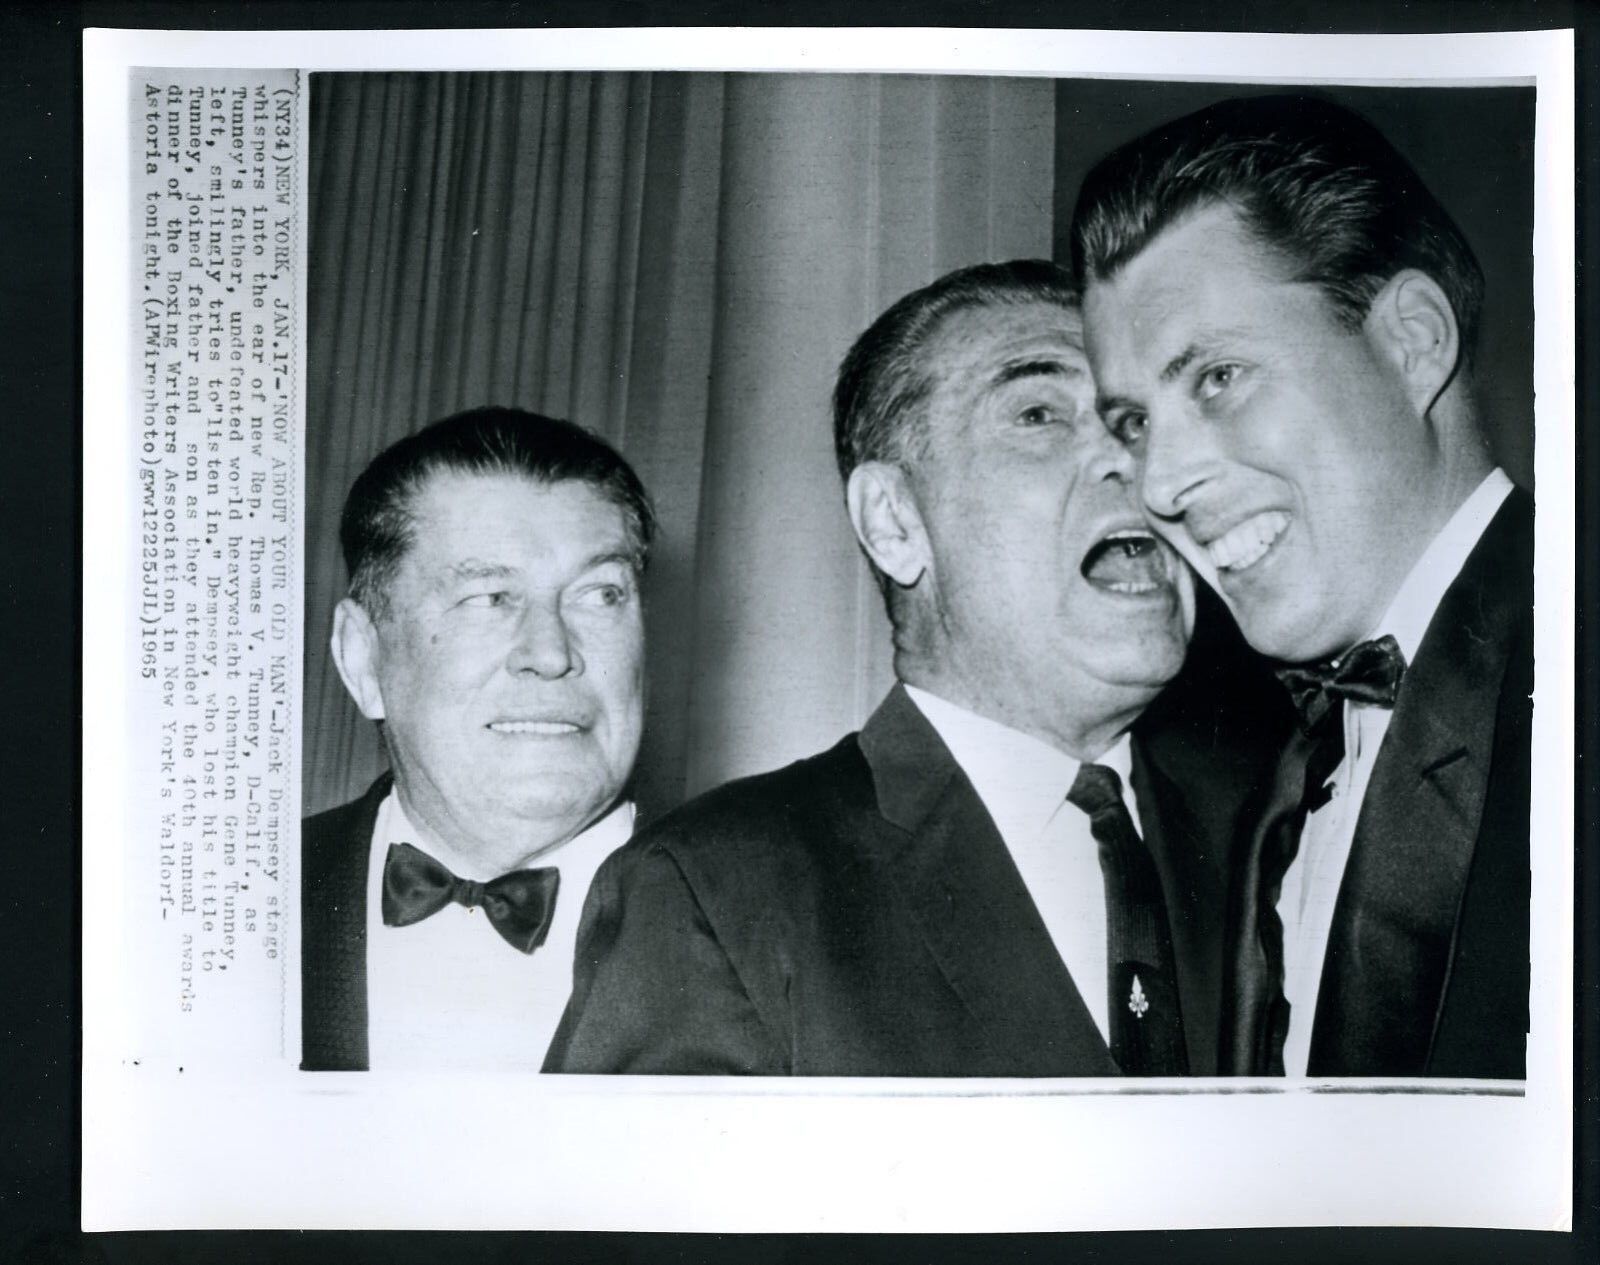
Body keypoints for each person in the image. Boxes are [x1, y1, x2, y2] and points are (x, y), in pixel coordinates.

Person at [546, 261, 1284, 1077]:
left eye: (1133, 424)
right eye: (1040, 414)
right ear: (894, 522)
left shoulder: (1277, 833)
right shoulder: (715, 891)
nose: (1132, 466)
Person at [1073, 94, 1531, 1078]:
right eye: (1134, 422)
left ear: (1411, 340)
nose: (1157, 485)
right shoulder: (1273, 770)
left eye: (1218, 376)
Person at [300, 406, 652, 1071]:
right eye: (490, 597)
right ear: (363, 658)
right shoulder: (220, 912)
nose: (551, 654)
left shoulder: (778, 927)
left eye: (600, 594)